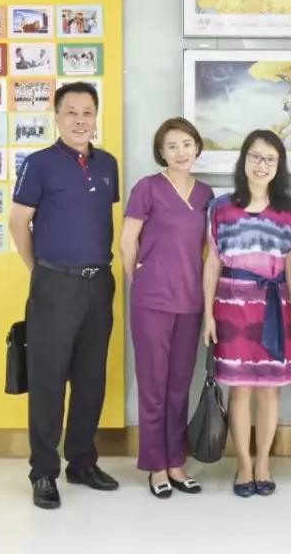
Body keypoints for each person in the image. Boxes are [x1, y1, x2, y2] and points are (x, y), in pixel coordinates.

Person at [9, 81, 121, 510]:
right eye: (71, 112)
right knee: (48, 379)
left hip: (99, 283)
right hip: (54, 283)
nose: (80, 120)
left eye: (87, 112)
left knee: (91, 378)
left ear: (96, 117)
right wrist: (37, 270)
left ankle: (82, 462)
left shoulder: (107, 164)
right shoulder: (39, 164)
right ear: (56, 117)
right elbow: (18, 222)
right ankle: (43, 471)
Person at [202, 130, 291, 498]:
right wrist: (208, 315)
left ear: (279, 166)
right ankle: (244, 464)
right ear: (244, 160)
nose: (262, 165)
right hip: (232, 308)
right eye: (255, 157)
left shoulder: (288, 208)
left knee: (270, 392)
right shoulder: (220, 207)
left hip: (275, 308)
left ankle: (264, 462)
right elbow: (212, 263)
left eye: (270, 159)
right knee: (240, 390)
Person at [120, 118, 213, 499]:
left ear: (197, 148)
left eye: (187, 144)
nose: (181, 152)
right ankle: (156, 466)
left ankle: (177, 462)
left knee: (179, 386)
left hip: (191, 302)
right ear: (161, 152)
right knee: (153, 386)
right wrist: (140, 281)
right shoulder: (147, 188)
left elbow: (208, 252)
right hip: (152, 302)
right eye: (172, 146)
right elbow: (127, 242)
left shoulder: (206, 194)